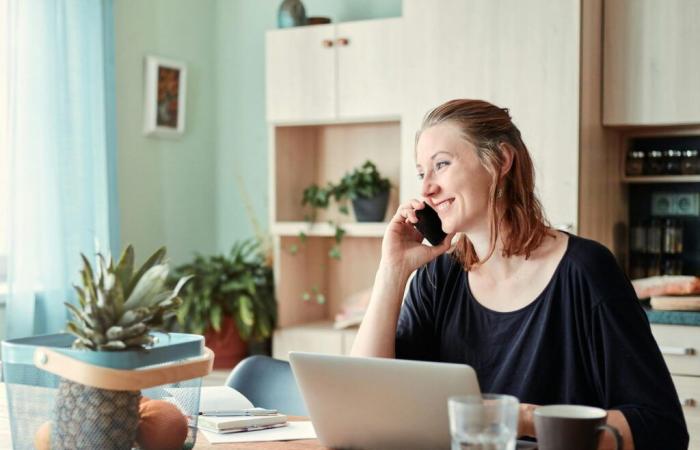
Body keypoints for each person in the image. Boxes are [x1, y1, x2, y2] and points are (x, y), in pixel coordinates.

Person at [351, 99, 688, 450]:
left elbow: (660, 427)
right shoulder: (437, 278)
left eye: (442, 165)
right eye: (423, 173)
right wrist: (392, 270)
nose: (427, 188)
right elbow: (366, 402)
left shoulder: (586, 271)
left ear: (500, 161)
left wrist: (523, 418)